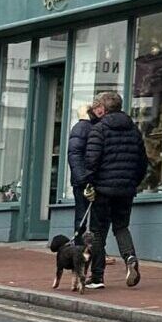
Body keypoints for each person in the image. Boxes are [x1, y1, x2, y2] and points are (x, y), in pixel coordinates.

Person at [83, 90, 148, 289]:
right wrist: (132, 182)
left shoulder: (99, 130)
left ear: (103, 108)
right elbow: (143, 162)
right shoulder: (134, 130)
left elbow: (92, 161)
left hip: (103, 189)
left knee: (97, 232)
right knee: (121, 227)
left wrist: (89, 183)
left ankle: (97, 277)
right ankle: (130, 259)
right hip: (126, 189)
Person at [66, 104, 97, 245]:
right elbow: (75, 154)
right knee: (84, 216)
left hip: (83, 179)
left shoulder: (81, 128)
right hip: (85, 180)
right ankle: (80, 246)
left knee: (82, 215)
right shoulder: (85, 128)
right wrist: (83, 179)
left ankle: (82, 247)